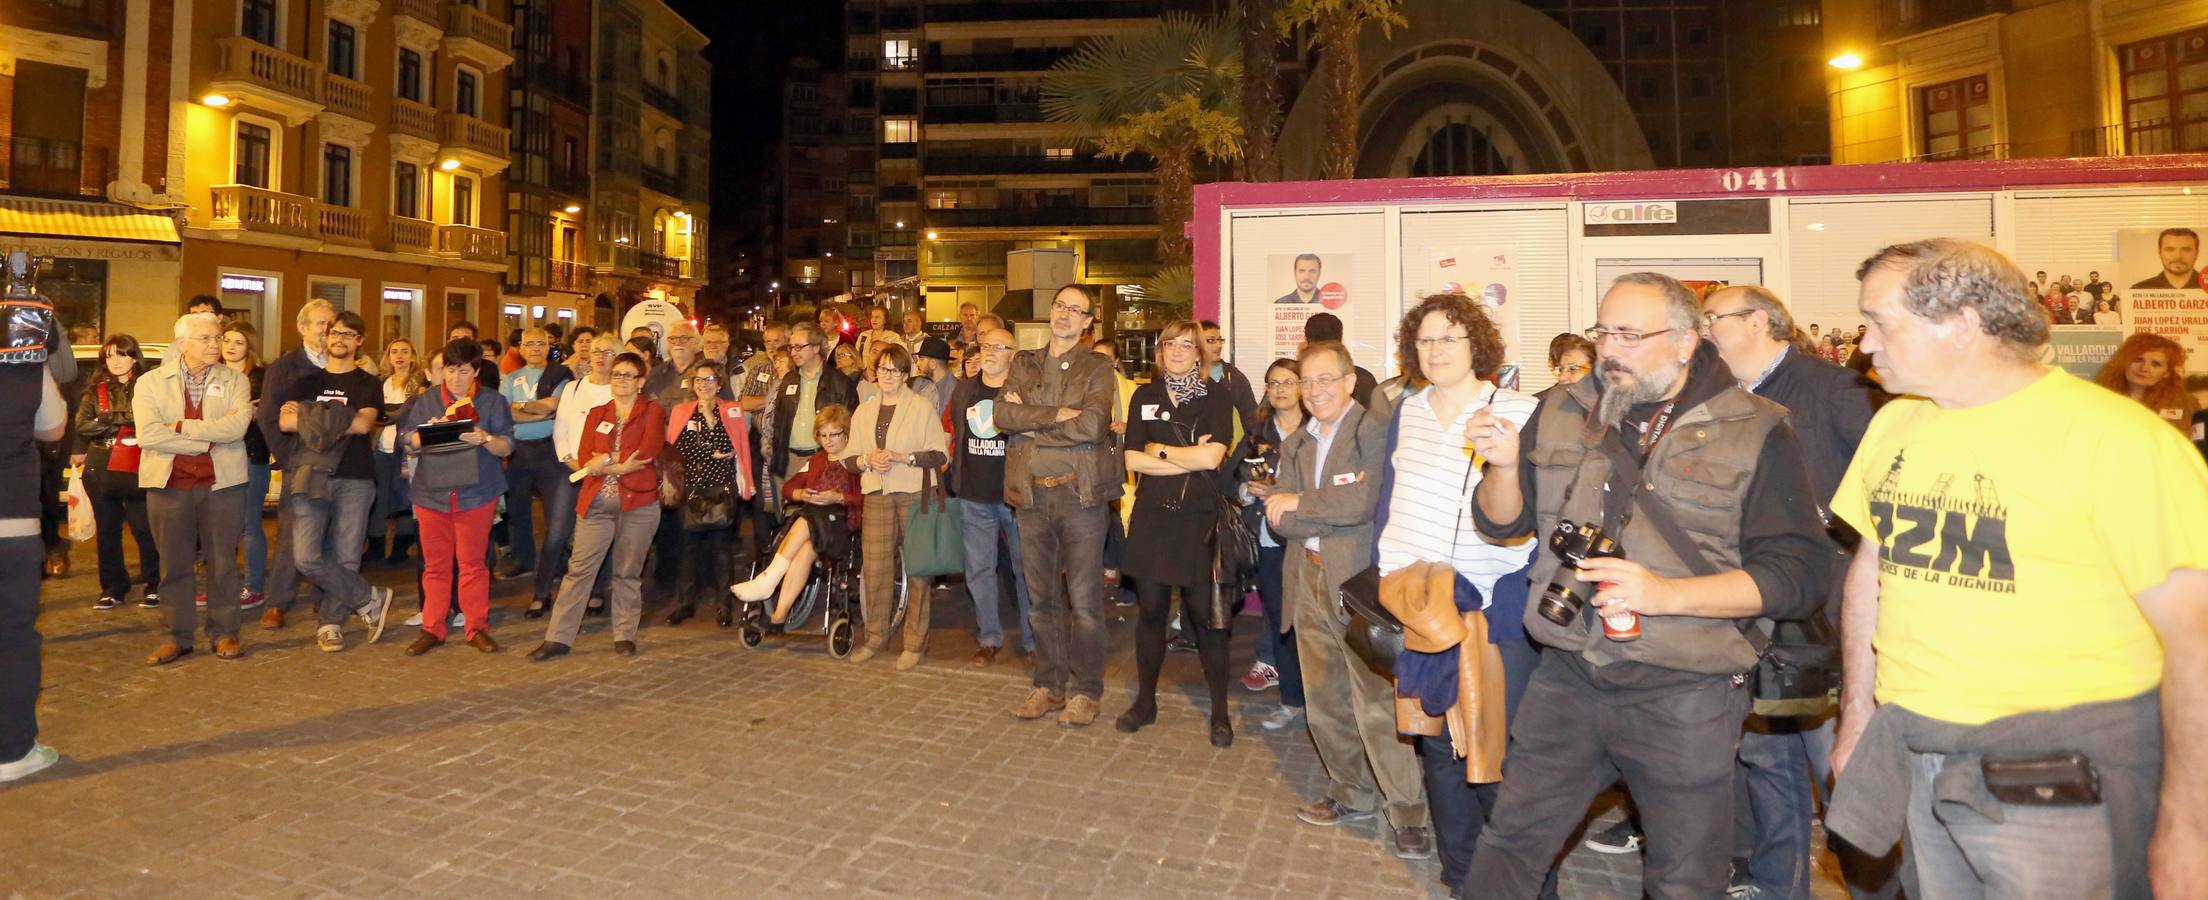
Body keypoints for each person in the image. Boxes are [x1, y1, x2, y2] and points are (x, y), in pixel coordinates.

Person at [1825, 239, 2208, 898]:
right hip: (1920, 757)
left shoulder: (2118, 441)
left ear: (1963, 324)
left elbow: (2196, 642)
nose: (1865, 344)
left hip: (2064, 779)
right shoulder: (1895, 425)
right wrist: (1856, 717)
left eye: (1880, 322)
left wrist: (2189, 827)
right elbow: (1874, 570)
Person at [1461, 272, 1833, 897]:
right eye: (1604, 332)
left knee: (1684, 878)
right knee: (1509, 844)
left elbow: (1797, 576)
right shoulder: (1562, 407)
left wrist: (1665, 594)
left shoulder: (1757, 428)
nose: (1610, 350)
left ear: (1687, 342)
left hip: (1686, 693)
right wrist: (1500, 468)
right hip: (1570, 676)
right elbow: (1503, 521)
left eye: (1631, 336)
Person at [1702, 285, 1884, 900]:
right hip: (1749, 611)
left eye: (1714, 319)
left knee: (1837, 767)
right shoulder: (1721, 398)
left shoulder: (1829, 387)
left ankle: (1877, 887)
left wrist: (1825, 520)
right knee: (1764, 766)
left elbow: (1884, 484)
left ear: (1758, 322)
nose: (1704, 330)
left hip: (1824, 619)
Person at [1369, 294, 1541, 876]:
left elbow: (1525, 519)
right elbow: (1389, 502)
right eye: (1425, 340)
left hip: (1490, 608)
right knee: (1437, 746)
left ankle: (1523, 884)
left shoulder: (1518, 410)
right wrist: (1384, 575)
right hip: (1418, 604)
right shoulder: (1407, 410)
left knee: (1501, 753)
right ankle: (1461, 874)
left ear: (1477, 346)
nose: (1436, 350)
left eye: (1450, 338)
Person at [998, 285, 1123, 726]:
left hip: (1080, 497)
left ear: (1089, 322)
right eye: (1060, 306)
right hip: (1030, 496)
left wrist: (1031, 420)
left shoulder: (1098, 366)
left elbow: (1092, 426)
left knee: (1086, 603)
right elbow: (1002, 416)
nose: (1065, 315)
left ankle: (1087, 691)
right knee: (1040, 601)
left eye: (1076, 310)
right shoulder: (1025, 362)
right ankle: (1048, 686)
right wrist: (1057, 415)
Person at [1116, 320, 1237, 745]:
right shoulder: (1145, 396)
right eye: (1171, 343)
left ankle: (1220, 712)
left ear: (1201, 353)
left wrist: (1162, 450)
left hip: (1198, 521)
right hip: (1152, 519)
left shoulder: (1216, 398)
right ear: (1160, 349)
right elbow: (1132, 458)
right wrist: (1186, 457)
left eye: (1189, 344)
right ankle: (1145, 702)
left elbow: (1212, 459)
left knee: (1207, 620)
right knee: (1149, 613)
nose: (1179, 350)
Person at [136, 312, 258, 666]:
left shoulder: (235, 380)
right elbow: (149, 434)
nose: (214, 344)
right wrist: (205, 440)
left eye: (217, 338)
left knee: (222, 563)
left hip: (223, 485)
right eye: (204, 338)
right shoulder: (150, 383)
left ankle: (225, 632)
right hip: (168, 485)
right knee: (173, 564)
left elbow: (236, 428)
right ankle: (178, 636)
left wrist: (179, 428)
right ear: (181, 344)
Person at [528, 352, 666, 660]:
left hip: (638, 503)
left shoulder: (652, 410)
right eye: (617, 374)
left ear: (641, 381)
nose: (620, 380)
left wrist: (607, 462)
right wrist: (619, 463)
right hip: (596, 501)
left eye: (628, 375)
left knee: (627, 571)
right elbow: (584, 451)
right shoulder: (597, 412)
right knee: (578, 570)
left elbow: (647, 449)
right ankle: (558, 638)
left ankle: (624, 634)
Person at [276, 311, 397, 653]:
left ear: (359, 342)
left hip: (355, 477)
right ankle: (369, 598)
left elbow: (363, 426)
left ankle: (330, 624)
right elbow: (285, 423)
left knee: (346, 557)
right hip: (310, 474)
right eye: (334, 333)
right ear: (326, 338)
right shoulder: (306, 382)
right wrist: (342, 417)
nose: (339, 339)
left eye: (348, 335)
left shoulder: (368, 383)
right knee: (306, 557)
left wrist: (312, 418)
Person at [396, 339, 514, 656]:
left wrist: (485, 438)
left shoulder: (492, 402)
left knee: (473, 563)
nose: (455, 379)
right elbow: (405, 440)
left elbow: (507, 447)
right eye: (450, 370)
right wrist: (422, 435)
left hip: (476, 494)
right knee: (434, 566)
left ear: (476, 371)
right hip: (432, 493)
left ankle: (476, 627)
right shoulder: (426, 401)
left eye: (463, 371)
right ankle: (433, 627)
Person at [843, 344, 949, 668]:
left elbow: (940, 455)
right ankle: (875, 636)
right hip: (877, 492)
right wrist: (866, 459)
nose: (886, 376)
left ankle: (915, 643)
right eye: (882, 369)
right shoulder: (864, 410)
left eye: (894, 370)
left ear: (905, 375)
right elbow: (848, 459)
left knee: (918, 569)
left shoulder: (920, 407)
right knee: (875, 568)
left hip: (915, 490)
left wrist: (906, 457)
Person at [0, 338, 67, 782]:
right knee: (13, 639)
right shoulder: (24, 364)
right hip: (10, 520)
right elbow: (53, 427)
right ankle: (11, 752)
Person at [945, 327, 1031, 667]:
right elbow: (960, 437)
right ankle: (989, 637)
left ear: (1013, 353)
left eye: (999, 346)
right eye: (985, 346)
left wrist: (1023, 412)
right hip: (973, 495)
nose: (990, 352)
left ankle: (1033, 639)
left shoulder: (1024, 391)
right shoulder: (964, 391)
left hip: (1015, 496)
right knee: (979, 570)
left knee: (1027, 571)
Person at [730, 405, 861, 626]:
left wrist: (838, 498)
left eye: (834, 434)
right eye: (823, 435)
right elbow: (789, 488)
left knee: (805, 520)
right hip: (815, 526)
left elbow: (867, 497)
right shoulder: (817, 460)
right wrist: (802, 493)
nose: (828, 440)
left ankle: (768, 579)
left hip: (840, 525)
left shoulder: (857, 461)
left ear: (846, 433)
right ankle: (779, 616)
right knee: (804, 551)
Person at [254, 298, 337, 630]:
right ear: (302, 328)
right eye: (321, 323)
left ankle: (326, 595)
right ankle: (278, 602)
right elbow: (268, 417)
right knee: (291, 533)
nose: (327, 330)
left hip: (338, 463)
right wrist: (288, 457)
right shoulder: (284, 368)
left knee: (332, 531)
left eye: (331, 324)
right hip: (300, 462)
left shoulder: (343, 364)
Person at [1236, 357, 1306, 729]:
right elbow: (1233, 475)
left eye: (1288, 381)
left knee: (1314, 622)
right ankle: (1292, 699)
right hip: (1270, 539)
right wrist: (1249, 489)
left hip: (1313, 538)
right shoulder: (1257, 430)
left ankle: (1324, 702)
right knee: (1281, 620)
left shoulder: (1318, 428)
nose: (1279, 389)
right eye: (1273, 382)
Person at [663, 358, 755, 627]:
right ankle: (685, 603)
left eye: (709, 380)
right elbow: (675, 450)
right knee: (688, 549)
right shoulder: (681, 411)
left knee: (721, 549)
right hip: (691, 486)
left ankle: (724, 605)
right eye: (698, 380)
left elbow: (735, 448)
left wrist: (708, 420)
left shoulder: (732, 410)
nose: (703, 385)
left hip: (721, 487)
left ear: (719, 384)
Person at [74, 335, 161, 610]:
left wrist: (108, 420)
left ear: (134, 357)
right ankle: (113, 588)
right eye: (110, 355)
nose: (115, 361)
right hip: (100, 462)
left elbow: (149, 421)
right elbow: (83, 426)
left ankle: (155, 584)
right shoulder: (93, 391)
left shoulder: (149, 387)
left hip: (138, 462)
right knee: (107, 530)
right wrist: (124, 425)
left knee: (144, 528)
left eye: (122, 354)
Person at [540, 334, 620, 618]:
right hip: (570, 469)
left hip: (604, 472)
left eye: (608, 352)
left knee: (601, 534)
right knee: (558, 532)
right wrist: (568, 458)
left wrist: (600, 464)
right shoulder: (573, 388)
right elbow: (560, 428)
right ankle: (542, 590)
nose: (600, 356)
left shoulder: (618, 391)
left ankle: (597, 591)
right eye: (597, 351)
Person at [499, 327, 575, 583]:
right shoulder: (511, 378)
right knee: (517, 509)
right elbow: (505, 411)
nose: (535, 348)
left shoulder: (559, 375)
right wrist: (534, 411)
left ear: (548, 347)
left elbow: (554, 406)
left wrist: (522, 409)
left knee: (556, 512)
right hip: (519, 450)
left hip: (549, 449)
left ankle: (557, 564)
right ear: (520, 347)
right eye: (529, 344)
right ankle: (523, 560)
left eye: (540, 344)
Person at [767, 322, 860, 500]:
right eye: (791, 347)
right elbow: (777, 422)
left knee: (816, 520)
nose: (793, 352)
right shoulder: (788, 380)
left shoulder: (840, 383)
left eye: (799, 347)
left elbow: (851, 427)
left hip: (823, 461)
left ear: (817, 348)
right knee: (787, 520)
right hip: (787, 461)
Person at [221, 321, 270, 607]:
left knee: (249, 524)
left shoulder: (261, 377)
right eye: (226, 340)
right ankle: (222, 585)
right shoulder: (213, 374)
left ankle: (254, 586)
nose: (230, 346)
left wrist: (251, 413)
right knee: (221, 526)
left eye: (238, 342)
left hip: (251, 455)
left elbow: (266, 414)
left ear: (249, 346)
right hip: (216, 456)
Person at [373, 338, 425, 565]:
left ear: (413, 356)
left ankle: (402, 546)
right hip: (380, 448)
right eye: (394, 351)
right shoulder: (381, 383)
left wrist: (385, 414)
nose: (399, 356)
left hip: (405, 450)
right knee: (377, 498)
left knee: (403, 497)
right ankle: (375, 544)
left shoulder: (417, 384)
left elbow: (407, 413)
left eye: (405, 351)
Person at [2093, 332, 2198, 430]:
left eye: (2155, 364)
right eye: (2138, 360)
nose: (2144, 368)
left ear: (2167, 372)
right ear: (2124, 362)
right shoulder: (2099, 399)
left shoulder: (2184, 404)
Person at [1301, 312, 1376, 406]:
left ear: (1307, 340)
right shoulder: (1364, 378)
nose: (1315, 392)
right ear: (1340, 339)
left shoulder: (1296, 377)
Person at [2131, 226, 2208, 291]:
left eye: (2186, 250)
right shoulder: (2139, 290)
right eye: (2170, 250)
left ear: (2197, 253)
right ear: (2160, 252)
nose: (2178, 256)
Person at [909, 336, 957, 413]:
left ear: (933, 364)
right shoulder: (918, 383)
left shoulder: (955, 391)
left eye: (921, 359)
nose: (917, 363)